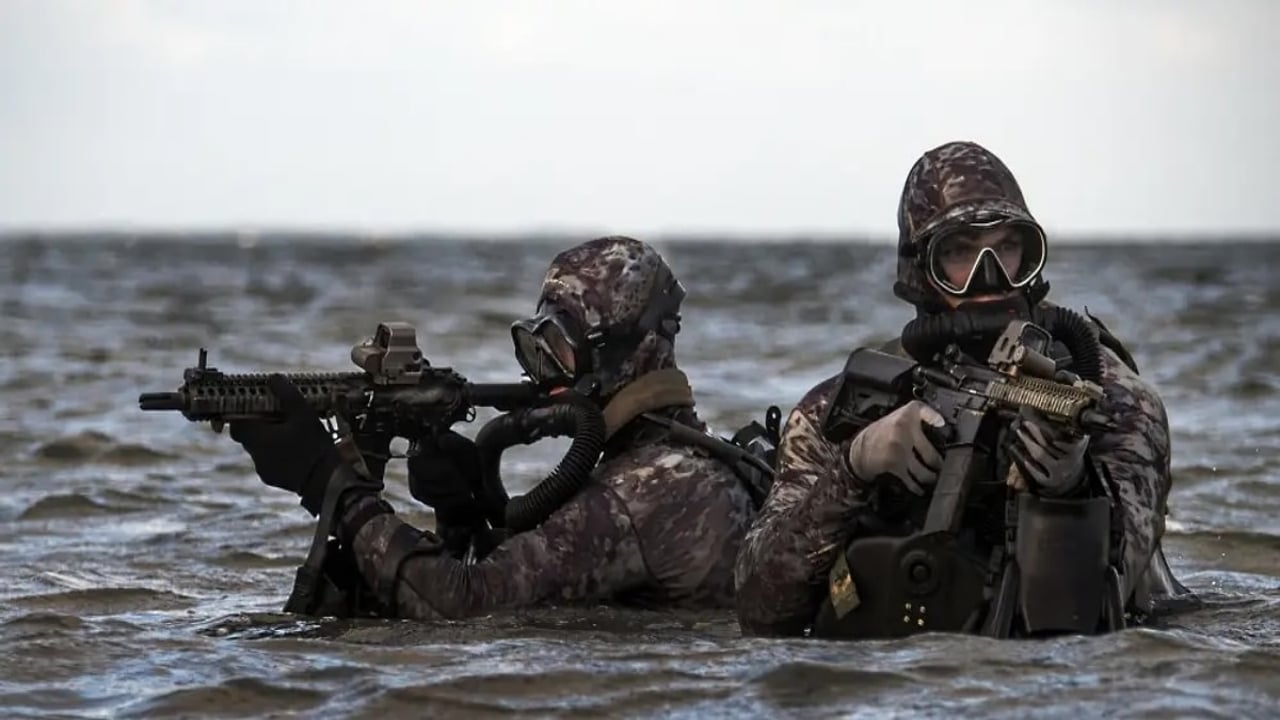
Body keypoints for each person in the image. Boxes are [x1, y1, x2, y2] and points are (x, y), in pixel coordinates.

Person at [734, 140, 1188, 638]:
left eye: (1008, 248)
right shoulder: (844, 404)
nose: (990, 275)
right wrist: (853, 468)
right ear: (920, 270)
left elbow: (1111, 607)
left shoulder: (1116, 400)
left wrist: (1073, 490)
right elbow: (759, 608)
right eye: (958, 252)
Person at [229, 236, 761, 620]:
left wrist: (330, 484)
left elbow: (459, 605)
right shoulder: (679, 466)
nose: (544, 372)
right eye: (535, 347)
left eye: (559, 347)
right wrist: (465, 516)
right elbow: (541, 584)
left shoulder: (644, 491)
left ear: (623, 352)